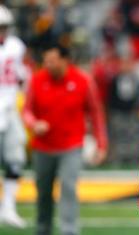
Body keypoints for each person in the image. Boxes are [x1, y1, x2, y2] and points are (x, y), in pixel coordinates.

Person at [22, 43, 108, 235]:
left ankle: (69, 231)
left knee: (69, 187)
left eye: (52, 60)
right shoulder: (37, 80)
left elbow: (96, 114)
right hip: (42, 147)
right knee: (43, 193)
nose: (48, 64)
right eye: (45, 61)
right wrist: (34, 123)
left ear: (65, 60)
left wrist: (101, 145)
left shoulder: (82, 81)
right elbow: (26, 110)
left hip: (71, 146)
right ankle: (43, 229)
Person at [0, 4, 29, 228]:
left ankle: (8, 207)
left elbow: (20, 76)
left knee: (16, 160)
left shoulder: (15, 46)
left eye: (5, 27)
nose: (3, 32)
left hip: (9, 110)